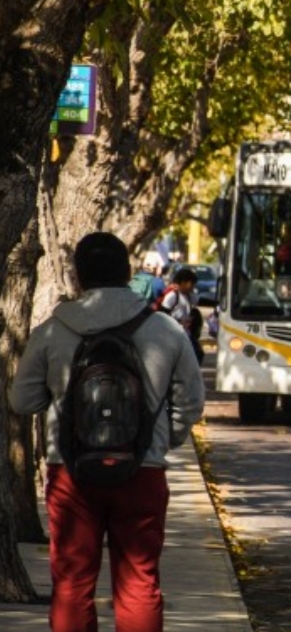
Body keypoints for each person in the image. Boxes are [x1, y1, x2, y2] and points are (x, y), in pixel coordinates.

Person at [9, 231, 205, 632]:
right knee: (139, 583)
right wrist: (164, 439)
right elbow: (191, 402)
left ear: (77, 276)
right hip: (143, 472)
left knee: (71, 584)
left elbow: (22, 401)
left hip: (70, 472)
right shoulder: (166, 330)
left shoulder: (52, 331)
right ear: (127, 272)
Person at [157, 267, 204, 364]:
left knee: (197, 355)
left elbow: (198, 304)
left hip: (186, 334)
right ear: (182, 282)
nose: (192, 287)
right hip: (173, 334)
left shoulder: (190, 296)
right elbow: (162, 316)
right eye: (190, 284)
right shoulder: (172, 296)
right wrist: (178, 322)